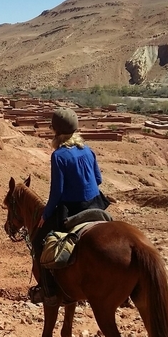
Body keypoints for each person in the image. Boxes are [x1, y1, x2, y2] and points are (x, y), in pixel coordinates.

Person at [32, 108, 108, 306]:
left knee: (40, 242)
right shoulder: (88, 149)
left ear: (56, 131)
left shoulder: (58, 156)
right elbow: (98, 179)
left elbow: (56, 193)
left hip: (73, 209)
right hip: (96, 203)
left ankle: (48, 293)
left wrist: (45, 214)